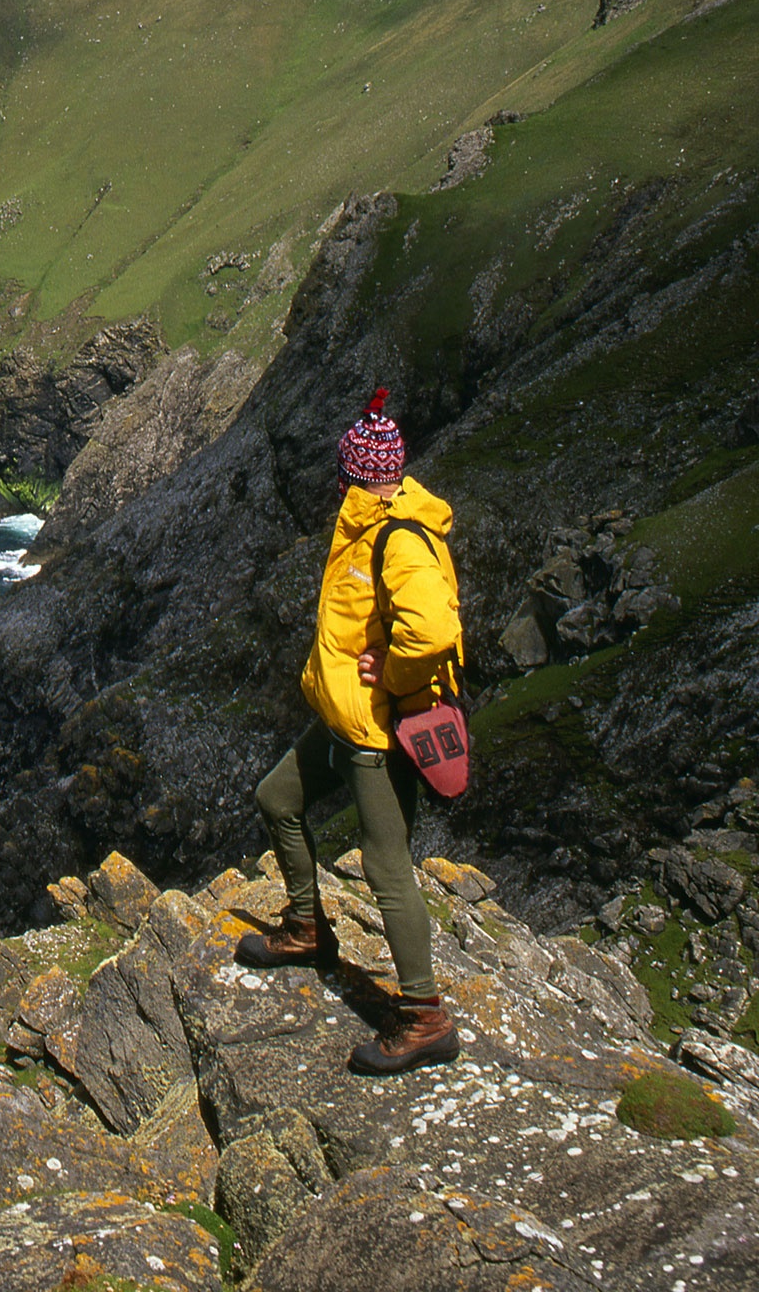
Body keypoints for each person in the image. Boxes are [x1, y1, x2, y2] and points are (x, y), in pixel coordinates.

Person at [236, 388, 465, 1074]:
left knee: (385, 866)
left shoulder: (399, 538)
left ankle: (424, 1017)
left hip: (375, 734)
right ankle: (308, 928)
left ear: (353, 473)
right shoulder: (364, 524)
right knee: (276, 799)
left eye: (345, 471)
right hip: (341, 718)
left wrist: (391, 672)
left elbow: (435, 628)